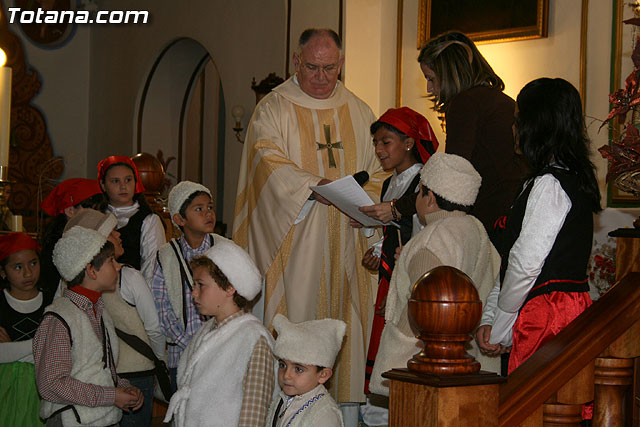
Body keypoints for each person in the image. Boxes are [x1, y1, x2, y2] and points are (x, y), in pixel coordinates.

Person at [233, 28, 386, 405]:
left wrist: (365, 206)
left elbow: (383, 169)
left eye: (329, 68)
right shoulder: (274, 107)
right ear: (296, 61)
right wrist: (312, 185)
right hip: (296, 242)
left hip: (350, 241)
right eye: (312, 67)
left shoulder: (359, 110)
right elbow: (265, 160)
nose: (321, 77)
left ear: (342, 64)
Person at [476, 78, 601, 375]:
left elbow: (525, 264)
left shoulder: (550, 184)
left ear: (538, 126)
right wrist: (492, 317)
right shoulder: (560, 179)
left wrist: (501, 328)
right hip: (554, 306)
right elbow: (511, 259)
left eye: (519, 120)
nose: (513, 129)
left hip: (548, 313)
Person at [369, 153, 501, 399]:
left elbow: (426, 311)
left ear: (429, 198)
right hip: (469, 362)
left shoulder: (431, 238)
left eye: (419, 191)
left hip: (424, 370)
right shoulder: (476, 229)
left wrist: (394, 362)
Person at [353, 107, 438, 397]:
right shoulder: (390, 183)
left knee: (401, 351)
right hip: (390, 277)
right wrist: (377, 249)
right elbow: (394, 230)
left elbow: (422, 234)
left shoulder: (424, 183)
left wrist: (396, 290)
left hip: (410, 281)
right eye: (376, 142)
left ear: (410, 143)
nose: (378, 149)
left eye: (385, 142)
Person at [418, 31, 525, 239]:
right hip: (514, 209)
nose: (429, 88)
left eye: (431, 78)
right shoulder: (500, 100)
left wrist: (397, 208)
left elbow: (454, 176)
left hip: (492, 215)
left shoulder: (464, 103)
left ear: (449, 74)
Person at [64, 209, 165, 427]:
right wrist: (159, 361)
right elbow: (154, 328)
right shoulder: (129, 276)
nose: (119, 235)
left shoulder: (68, 287)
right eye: (112, 232)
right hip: (131, 375)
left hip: (101, 380)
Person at [33, 226, 143, 426]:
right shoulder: (59, 318)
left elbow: (97, 370)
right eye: (111, 261)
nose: (118, 267)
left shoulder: (98, 310)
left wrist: (124, 388)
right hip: (71, 420)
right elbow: (51, 384)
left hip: (103, 418)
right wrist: (111, 396)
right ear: (91, 270)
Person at [163, 239, 274, 427]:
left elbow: (254, 414)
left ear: (230, 288)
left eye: (201, 285)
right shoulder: (207, 331)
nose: (193, 293)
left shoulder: (254, 339)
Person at [152, 181, 229, 387]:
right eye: (199, 209)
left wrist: (218, 341)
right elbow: (161, 306)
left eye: (210, 207)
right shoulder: (166, 255)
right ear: (179, 219)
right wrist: (189, 342)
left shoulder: (225, 249)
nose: (208, 214)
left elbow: (238, 299)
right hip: (182, 353)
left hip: (222, 352)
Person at [0, 233, 51, 427]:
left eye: (33, 263)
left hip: (45, 387)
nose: (28, 273)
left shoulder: (52, 303)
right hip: (5, 390)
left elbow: (59, 348)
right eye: (18, 267)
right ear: (3, 272)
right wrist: (40, 346)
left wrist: (11, 350)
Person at [266, 314, 346, 427]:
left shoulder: (325, 416)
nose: (286, 376)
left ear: (323, 375)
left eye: (298, 369)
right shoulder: (282, 400)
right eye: (283, 365)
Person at [97, 155, 165, 284]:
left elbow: (152, 267)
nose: (123, 186)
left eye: (128, 180)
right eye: (115, 181)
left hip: (134, 293)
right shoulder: (97, 217)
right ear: (103, 185)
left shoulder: (149, 220)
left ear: (136, 182)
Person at [40, 178, 106, 296]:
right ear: (70, 210)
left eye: (101, 210)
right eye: (93, 209)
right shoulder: (56, 246)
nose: (99, 215)